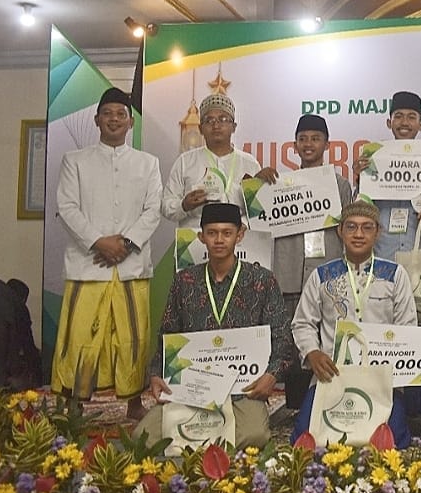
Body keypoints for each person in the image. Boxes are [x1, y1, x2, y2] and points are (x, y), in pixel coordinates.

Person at [134, 203, 293, 449]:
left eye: (227, 233)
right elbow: (168, 333)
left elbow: (282, 337)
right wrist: (156, 374)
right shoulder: (185, 281)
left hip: (243, 388)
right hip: (193, 385)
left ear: (240, 235)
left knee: (255, 436)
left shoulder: (262, 280)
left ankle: (196, 443)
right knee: (142, 437)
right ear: (201, 237)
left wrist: (271, 376)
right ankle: (209, 442)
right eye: (212, 233)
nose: (219, 240)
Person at [52, 87, 162, 419]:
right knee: (79, 335)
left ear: (131, 122)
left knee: (133, 336)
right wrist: (99, 242)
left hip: (131, 265)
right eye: (108, 113)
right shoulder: (75, 161)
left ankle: (133, 403)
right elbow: (67, 207)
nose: (114, 119)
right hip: (88, 264)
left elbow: (153, 209)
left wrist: (125, 244)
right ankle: (73, 403)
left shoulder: (147, 163)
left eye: (121, 114)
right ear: (96, 119)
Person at [353, 90, 421, 416]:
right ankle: (386, 400)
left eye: (411, 117)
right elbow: (361, 209)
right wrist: (360, 178)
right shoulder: (375, 160)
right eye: (398, 116)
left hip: (420, 257)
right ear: (389, 122)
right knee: (387, 330)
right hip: (383, 258)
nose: (404, 122)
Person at [291, 200, 418, 447]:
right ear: (340, 231)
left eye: (367, 227)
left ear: (378, 232)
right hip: (332, 375)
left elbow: (407, 328)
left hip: (380, 377)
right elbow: (302, 323)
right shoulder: (322, 276)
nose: (358, 234)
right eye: (351, 227)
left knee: (393, 439)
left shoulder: (395, 275)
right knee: (306, 437)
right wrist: (313, 353)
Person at [272, 114, 353, 407]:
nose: (309, 144)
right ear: (294, 145)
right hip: (290, 273)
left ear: (327, 144)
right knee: (293, 342)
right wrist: (256, 184)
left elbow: (349, 227)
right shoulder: (278, 185)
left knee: (326, 338)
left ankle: (326, 402)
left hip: (327, 275)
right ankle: (296, 405)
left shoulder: (341, 185)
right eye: (303, 139)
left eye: (315, 138)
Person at [161, 92, 269, 227]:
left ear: (234, 127)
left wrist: (243, 225)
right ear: (200, 128)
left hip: (240, 237)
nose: (216, 125)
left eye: (223, 119)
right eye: (209, 120)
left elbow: (259, 210)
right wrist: (184, 205)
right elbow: (166, 205)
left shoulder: (249, 163)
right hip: (195, 237)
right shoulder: (185, 161)